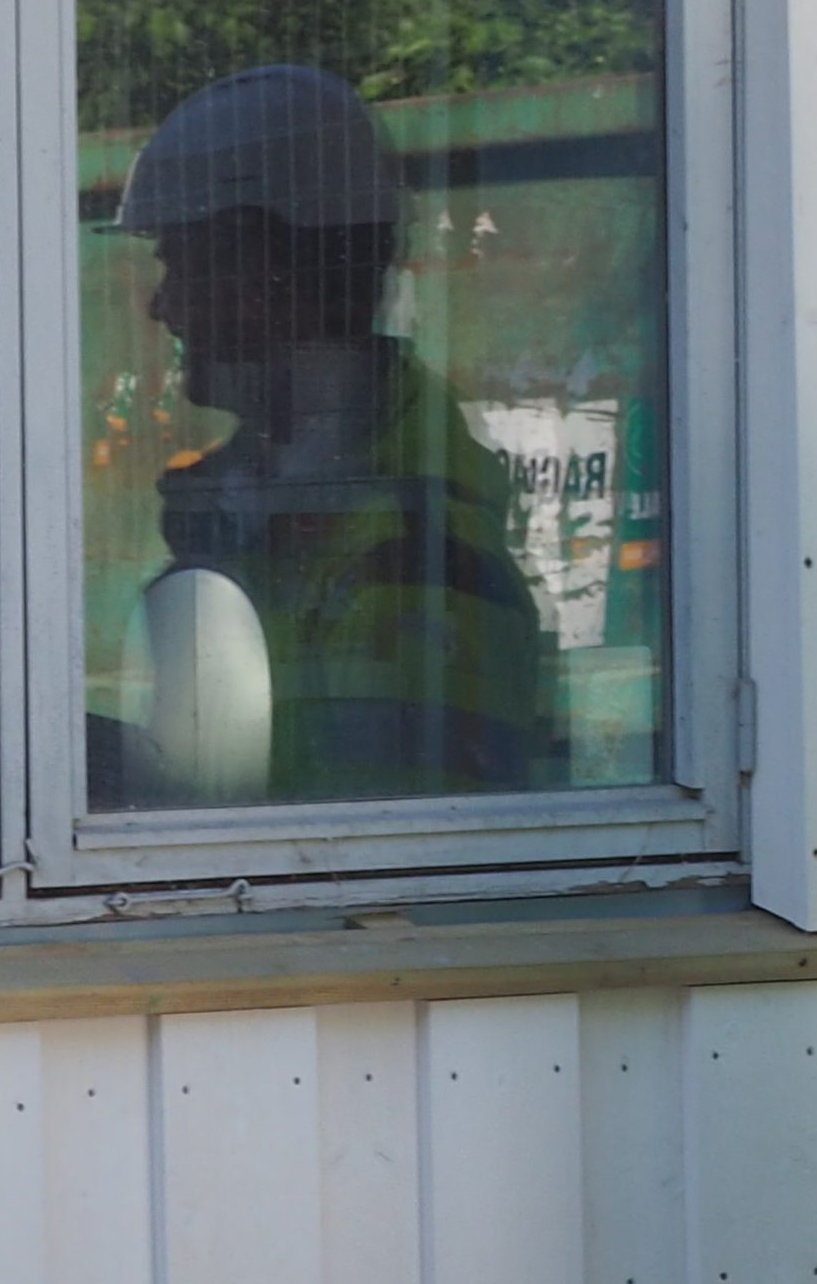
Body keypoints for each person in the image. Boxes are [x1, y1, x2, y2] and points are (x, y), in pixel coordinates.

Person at [91, 64, 540, 806]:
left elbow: (368, 862)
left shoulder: (416, 553)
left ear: (261, 269)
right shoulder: (280, 501)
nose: (160, 305)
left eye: (179, 261)